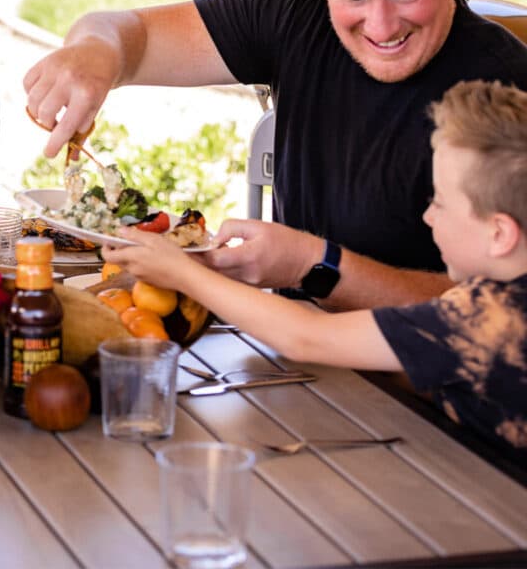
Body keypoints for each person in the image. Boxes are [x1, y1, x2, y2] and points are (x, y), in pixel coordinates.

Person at [24, 0, 527, 311]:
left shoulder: (504, 87)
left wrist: (316, 267)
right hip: (295, 361)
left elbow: (502, 320)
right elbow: (128, 33)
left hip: (421, 403)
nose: (381, 25)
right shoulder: (292, 10)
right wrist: (95, 51)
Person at [107, 79, 527, 460]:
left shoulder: (489, 317)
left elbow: (306, 339)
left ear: (499, 233)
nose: (429, 217)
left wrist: (182, 272)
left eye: (440, 202)